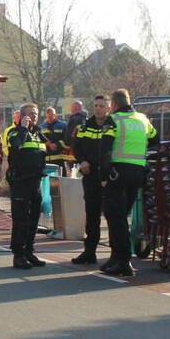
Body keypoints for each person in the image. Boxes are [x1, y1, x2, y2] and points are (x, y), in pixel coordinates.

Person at [98, 88, 158, 277]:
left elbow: (105, 150)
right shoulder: (143, 119)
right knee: (122, 216)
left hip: (118, 173)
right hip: (138, 173)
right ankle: (116, 257)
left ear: (114, 104)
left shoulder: (113, 120)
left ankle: (123, 261)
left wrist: (104, 177)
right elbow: (156, 141)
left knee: (115, 216)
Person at [5, 103, 48, 269]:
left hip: (35, 182)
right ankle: (18, 254)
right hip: (21, 181)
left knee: (34, 219)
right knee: (21, 220)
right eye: (30, 114)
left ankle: (29, 251)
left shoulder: (38, 134)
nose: (34, 116)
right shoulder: (15, 132)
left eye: (36, 114)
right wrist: (23, 128)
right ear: (23, 117)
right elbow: (15, 146)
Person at [71, 95, 112, 264]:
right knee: (92, 214)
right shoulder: (84, 126)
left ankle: (116, 255)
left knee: (112, 215)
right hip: (90, 176)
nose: (98, 109)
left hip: (109, 177)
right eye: (96, 105)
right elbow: (77, 147)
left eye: (102, 106)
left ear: (109, 108)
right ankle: (89, 251)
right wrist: (82, 161)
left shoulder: (114, 126)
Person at [41, 107, 72, 175]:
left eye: (51, 117)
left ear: (55, 115)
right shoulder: (42, 127)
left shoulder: (63, 126)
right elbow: (39, 141)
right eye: (48, 117)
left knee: (60, 180)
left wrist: (57, 145)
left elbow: (67, 140)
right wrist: (47, 144)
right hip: (46, 160)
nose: (49, 119)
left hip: (60, 160)